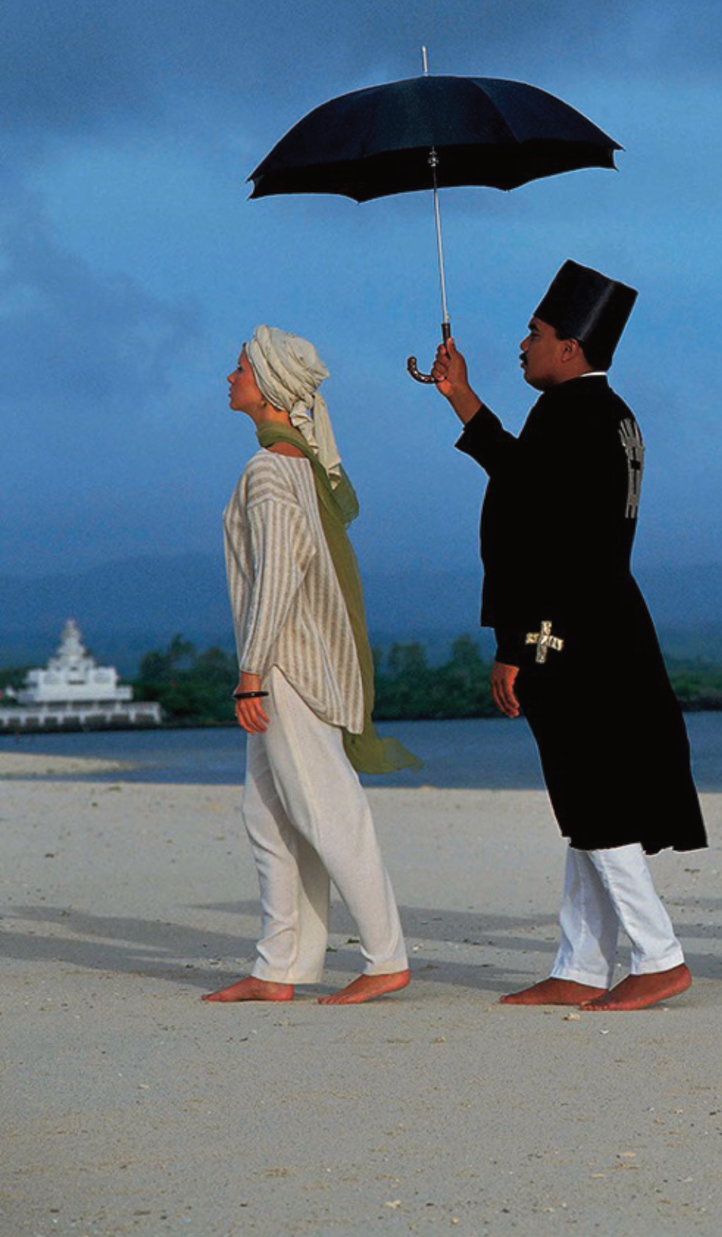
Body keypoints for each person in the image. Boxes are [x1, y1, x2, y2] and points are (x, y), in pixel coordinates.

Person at [431, 260, 707, 1011]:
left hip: (572, 628)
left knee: (591, 793)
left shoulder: (571, 414)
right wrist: (463, 397)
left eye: (536, 332)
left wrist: (518, 643)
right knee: (587, 792)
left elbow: (535, 522)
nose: (523, 344)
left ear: (572, 348)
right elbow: (537, 494)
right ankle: (582, 961)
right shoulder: (612, 414)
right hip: (608, 618)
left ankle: (659, 953)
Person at [205, 326, 416, 1005]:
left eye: (240, 367)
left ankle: (386, 956)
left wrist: (252, 671)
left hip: (287, 666)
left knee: (326, 810)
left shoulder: (271, 470)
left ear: (268, 387)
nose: (229, 376)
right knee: (269, 815)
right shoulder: (292, 465)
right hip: (292, 662)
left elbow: (278, 576)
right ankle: (282, 966)